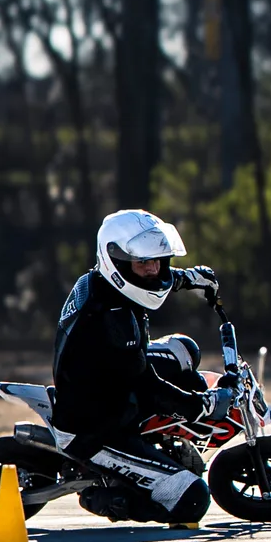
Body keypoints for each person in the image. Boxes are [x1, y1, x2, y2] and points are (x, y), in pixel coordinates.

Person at [51, 208, 232, 524]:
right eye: (143, 262)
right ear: (118, 262)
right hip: (95, 426)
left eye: (158, 261)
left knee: (185, 351)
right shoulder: (113, 319)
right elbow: (147, 389)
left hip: (104, 384)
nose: (153, 270)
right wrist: (200, 407)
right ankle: (108, 498)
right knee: (192, 500)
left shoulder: (98, 282)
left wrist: (190, 278)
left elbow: (152, 279)